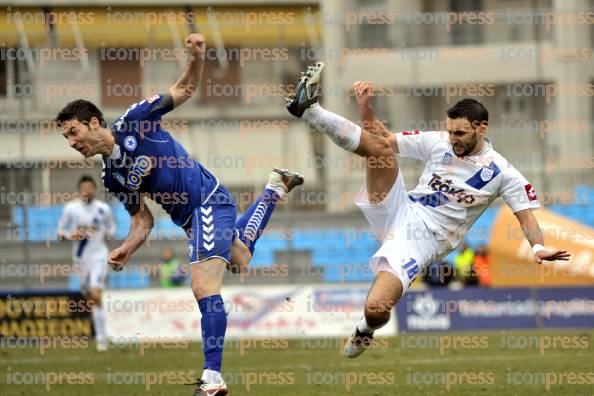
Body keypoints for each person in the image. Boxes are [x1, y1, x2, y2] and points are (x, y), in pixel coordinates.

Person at [55, 33, 303, 396]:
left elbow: (184, 89)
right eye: (66, 139)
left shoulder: (133, 121)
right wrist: (127, 247)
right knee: (240, 255)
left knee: (203, 285)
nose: (73, 142)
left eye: (74, 132)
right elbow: (143, 221)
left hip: (207, 200)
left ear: (93, 122)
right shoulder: (111, 176)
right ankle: (275, 187)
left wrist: (196, 57)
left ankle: (213, 378)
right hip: (190, 219)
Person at [285, 62, 570, 358]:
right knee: (380, 152)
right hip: (401, 207)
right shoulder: (438, 142)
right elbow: (384, 141)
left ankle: (366, 329)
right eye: (450, 132)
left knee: (376, 309)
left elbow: (526, 217)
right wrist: (366, 109)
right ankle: (309, 110)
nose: (453, 139)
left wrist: (538, 247)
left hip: (424, 240)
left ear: (481, 128)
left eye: (460, 133)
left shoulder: (503, 173)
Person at [58, 175, 116, 351]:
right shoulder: (71, 209)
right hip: (80, 259)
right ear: (79, 189)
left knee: (96, 293)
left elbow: (112, 227)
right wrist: (70, 235)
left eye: (90, 187)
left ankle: (101, 339)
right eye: (83, 187)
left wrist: (108, 233)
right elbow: (59, 232)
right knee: (89, 296)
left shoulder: (103, 209)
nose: (87, 190)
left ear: (95, 189)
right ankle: (100, 331)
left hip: (99, 256)